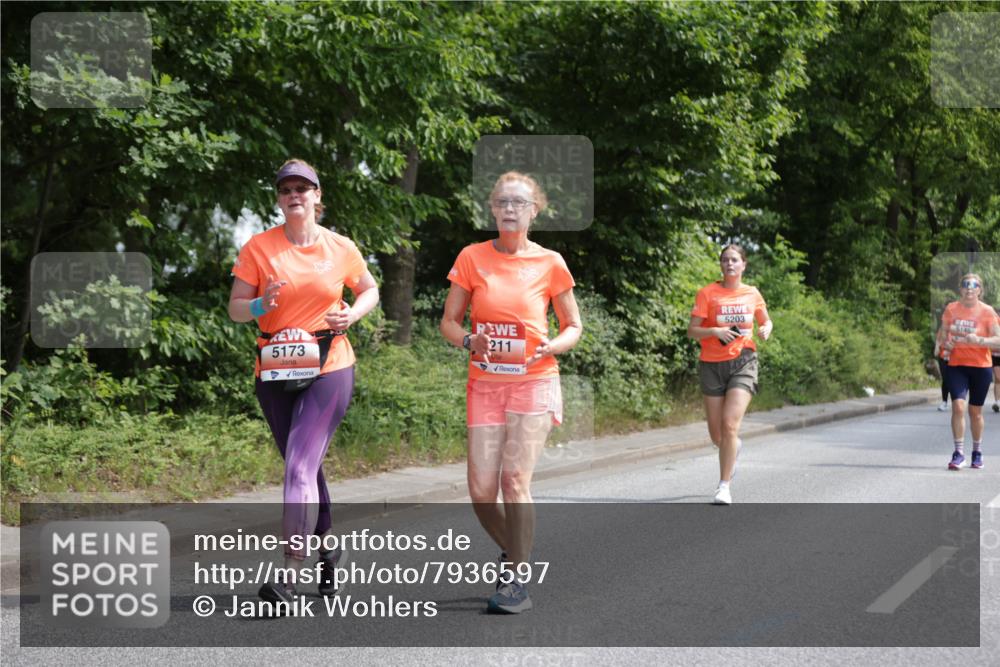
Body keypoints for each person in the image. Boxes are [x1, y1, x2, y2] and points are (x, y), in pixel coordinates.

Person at [228, 159, 379, 603]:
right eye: (286, 189)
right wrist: (260, 305)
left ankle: (289, 574)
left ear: (317, 196)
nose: (294, 195)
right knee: (303, 466)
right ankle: (329, 551)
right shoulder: (259, 248)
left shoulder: (340, 247)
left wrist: (352, 312)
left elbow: (368, 289)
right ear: (279, 199)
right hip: (274, 369)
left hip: (329, 364)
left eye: (302, 188)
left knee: (297, 468)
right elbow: (236, 307)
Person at [440, 171, 582, 614]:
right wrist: (468, 341)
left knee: (513, 479)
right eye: (502, 201)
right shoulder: (472, 257)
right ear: (492, 208)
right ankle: (517, 553)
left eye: (518, 202)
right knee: (482, 492)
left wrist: (552, 345)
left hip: (534, 380)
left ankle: (516, 580)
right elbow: (448, 322)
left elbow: (573, 325)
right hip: (485, 384)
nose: (509, 209)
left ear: (534, 210)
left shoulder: (550, 262)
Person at [687, 244, 773, 505]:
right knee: (717, 436)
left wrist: (766, 328)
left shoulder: (752, 293)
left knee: (729, 425)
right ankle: (732, 447)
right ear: (721, 265)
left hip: (743, 362)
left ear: (744, 265)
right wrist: (714, 331)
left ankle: (724, 486)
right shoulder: (707, 294)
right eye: (725, 260)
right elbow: (692, 331)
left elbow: (765, 320)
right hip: (712, 365)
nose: (730, 264)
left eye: (735, 260)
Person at [935, 273, 1000, 470]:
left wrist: (980, 341)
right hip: (957, 365)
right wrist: (943, 344)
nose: (969, 288)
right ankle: (959, 453)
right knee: (958, 407)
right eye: (965, 284)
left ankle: (977, 452)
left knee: (976, 413)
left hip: (981, 367)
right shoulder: (952, 309)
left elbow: (998, 339)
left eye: (974, 285)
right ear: (960, 289)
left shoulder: (988, 312)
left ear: (980, 290)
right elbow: (943, 333)